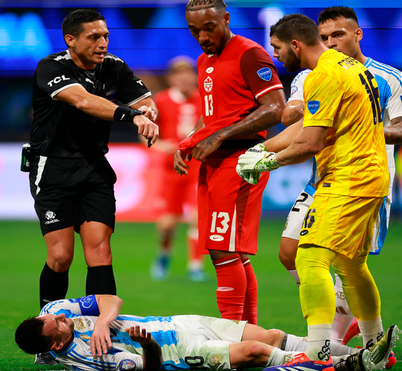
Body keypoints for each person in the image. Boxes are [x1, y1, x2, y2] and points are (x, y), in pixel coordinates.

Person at [237, 13, 398, 370]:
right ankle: (376, 345)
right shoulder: (349, 66)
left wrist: (267, 163)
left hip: (347, 178)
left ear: (295, 44)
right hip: (369, 176)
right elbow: (309, 129)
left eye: (278, 48)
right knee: (351, 264)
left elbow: (310, 142)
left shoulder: (322, 76)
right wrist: (264, 150)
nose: (275, 55)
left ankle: (317, 354)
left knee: (308, 257)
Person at [28, 9, 159, 310]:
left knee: (100, 253)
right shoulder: (50, 67)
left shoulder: (114, 66)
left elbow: (143, 100)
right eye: (94, 37)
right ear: (70, 40)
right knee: (61, 257)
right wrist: (134, 116)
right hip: (53, 167)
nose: (103, 43)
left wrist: (148, 112)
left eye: (106, 36)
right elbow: (83, 101)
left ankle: (95, 334)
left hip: (95, 168)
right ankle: (49, 334)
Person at [175, 0, 287, 325]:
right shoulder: (203, 60)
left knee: (222, 250)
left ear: (226, 18)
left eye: (209, 27)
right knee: (225, 250)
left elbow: (275, 108)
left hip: (241, 160)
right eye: (194, 30)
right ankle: (248, 330)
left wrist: (221, 136)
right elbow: (212, 116)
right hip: (213, 161)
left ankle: (232, 333)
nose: (202, 36)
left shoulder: (250, 54)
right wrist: (189, 141)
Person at [15, 294, 397, 371]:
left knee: (271, 335)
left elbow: (108, 299)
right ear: (56, 343)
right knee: (253, 352)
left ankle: (358, 356)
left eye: (59, 318)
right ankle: (350, 364)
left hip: (180, 321)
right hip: (177, 355)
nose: (65, 319)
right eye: (60, 326)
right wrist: (148, 347)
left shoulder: (52, 311)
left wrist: (100, 320)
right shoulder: (87, 360)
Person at [148, 56, 207, 282]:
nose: (185, 78)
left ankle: (195, 265)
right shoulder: (160, 101)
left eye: (188, 73)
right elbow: (147, 136)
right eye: (179, 74)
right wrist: (163, 146)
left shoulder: (203, 100)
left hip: (197, 167)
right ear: (171, 78)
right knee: (167, 224)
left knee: (196, 216)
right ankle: (164, 253)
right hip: (169, 171)